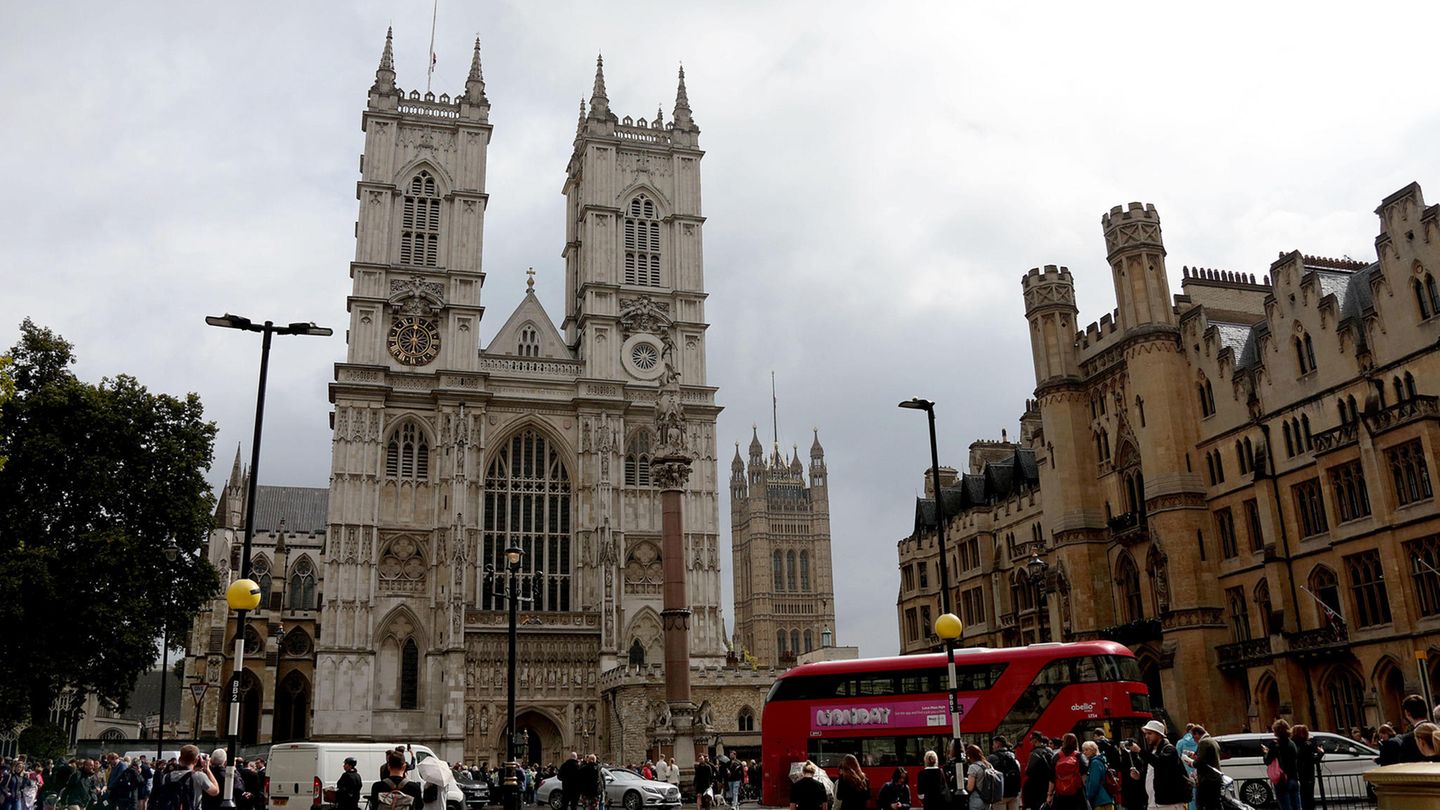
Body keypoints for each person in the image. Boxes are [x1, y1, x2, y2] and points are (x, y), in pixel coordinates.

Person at [1129, 720, 1189, 810]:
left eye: (1150, 733)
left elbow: (1160, 764)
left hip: (1169, 803)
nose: (1146, 737)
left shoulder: (1169, 749)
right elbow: (1151, 773)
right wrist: (1139, 776)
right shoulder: (1151, 751)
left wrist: (1140, 751)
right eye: (1145, 734)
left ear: (1159, 734)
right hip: (1152, 803)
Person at [1261, 719, 1300, 810]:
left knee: (1285, 806)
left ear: (1276, 731)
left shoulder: (1275, 745)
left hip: (1282, 779)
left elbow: (1267, 760)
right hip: (1293, 777)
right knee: (1297, 806)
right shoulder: (1292, 743)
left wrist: (1265, 752)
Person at [1045, 735, 1086, 810]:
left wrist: (1049, 795)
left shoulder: (1056, 757)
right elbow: (1084, 778)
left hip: (1060, 794)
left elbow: (1052, 778)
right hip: (1077, 794)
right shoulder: (1079, 756)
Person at [1291, 725, 1323, 810]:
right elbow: (1312, 759)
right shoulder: (1307, 745)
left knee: (1300, 796)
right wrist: (1320, 753)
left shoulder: (1292, 744)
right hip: (1308, 774)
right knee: (1309, 797)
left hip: (1296, 774)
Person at [1188, 727, 1221, 810]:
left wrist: (1191, 763)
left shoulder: (1203, 742)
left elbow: (1199, 762)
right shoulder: (1212, 741)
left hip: (1206, 780)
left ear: (1197, 734)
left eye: (1193, 736)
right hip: (1215, 779)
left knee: (1202, 804)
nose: (1193, 739)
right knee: (1213, 804)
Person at [986, 737, 1020, 810]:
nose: (992, 746)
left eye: (993, 744)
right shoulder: (1012, 756)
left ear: (998, 744)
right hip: (1014, 792)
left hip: (1000, 794)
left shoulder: (992, 758)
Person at [1020, 735, 1051, 810]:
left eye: (1031, 739)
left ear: (1036, 740)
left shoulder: (1035, 753)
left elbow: (1029, 771)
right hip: (1048, 784)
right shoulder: (1049, 750)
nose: (1030, 741)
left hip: (1036, 787)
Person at [1081, 740, 1112, 810]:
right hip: (1105, 799)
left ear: (1093, 750)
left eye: (1087, 750)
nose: (1084, 752)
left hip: (1101, 801)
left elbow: (1094, 783)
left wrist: (1089, 796)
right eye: (1083, 750)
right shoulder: (1099, 760)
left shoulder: (1095, 763)